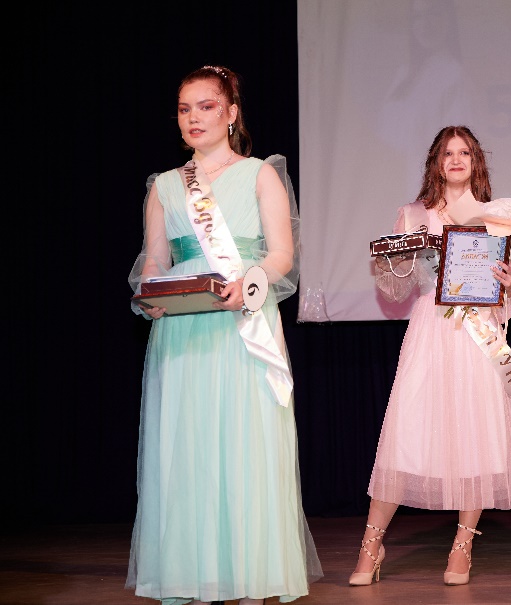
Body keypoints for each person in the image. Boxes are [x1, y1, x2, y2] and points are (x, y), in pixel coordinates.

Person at [126, 65, 322, 604]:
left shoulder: (260, 174)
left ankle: (251, 575)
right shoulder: (166, 186)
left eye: (207, 106)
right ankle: (193, 578)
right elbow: (155, 261)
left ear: (231, 113)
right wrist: (151, 294)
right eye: (185, 108)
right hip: (184, 330)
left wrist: (248, 282)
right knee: (188, 451)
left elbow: (282, 255)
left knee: (246, 446)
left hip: (244, 323)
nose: (194, 117)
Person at [351, 125, 511, 587]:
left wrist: (510, 284)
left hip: (476, 334)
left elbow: (506, 302)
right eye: (448, 153)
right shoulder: (413, 213)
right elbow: (395, 289)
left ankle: (463, 545)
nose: (457, 159)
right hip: (430, 328)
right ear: (436, 162)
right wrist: (396, 260)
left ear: (476, 161)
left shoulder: (495, 218)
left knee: (475, 435)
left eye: (465, 152)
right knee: (407, 432)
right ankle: (371, 543)